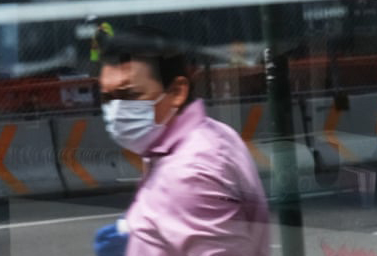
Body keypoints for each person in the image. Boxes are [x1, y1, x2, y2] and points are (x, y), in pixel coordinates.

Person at [92, 26, 270, 256]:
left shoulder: (189, 172)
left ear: (177, 92)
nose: (115, 111)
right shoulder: (203, 137)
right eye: (107, 98)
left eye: (130, 95)